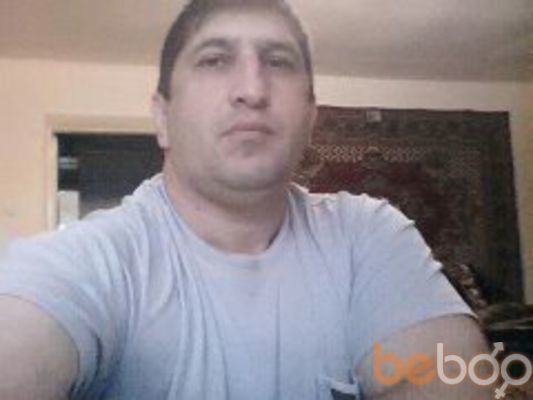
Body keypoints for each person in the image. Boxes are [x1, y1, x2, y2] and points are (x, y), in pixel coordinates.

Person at [0, 0, 492, 399]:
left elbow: (445, 377)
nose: (253, 90)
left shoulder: (371, 235)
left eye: (278, 62)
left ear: (310, 119)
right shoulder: (87, 262)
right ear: (163, 118)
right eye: (214, 60)